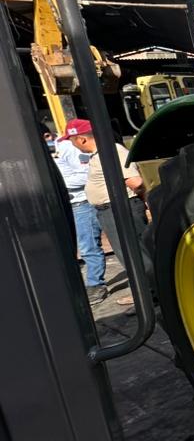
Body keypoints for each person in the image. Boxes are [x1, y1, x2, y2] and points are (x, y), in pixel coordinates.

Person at [64, 119, 148, 307]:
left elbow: (135, 182)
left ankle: (150, 296)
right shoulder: (99, 155)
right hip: (111, 210)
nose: (72, 144)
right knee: (128, 255)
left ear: (81, 139)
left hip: (119, 209)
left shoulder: (112, 152)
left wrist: (142, 200)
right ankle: (146, 294)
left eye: (72, 140)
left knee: (136, 255)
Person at [52, 121, 107, 304]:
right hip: (73, 203)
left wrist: (59, 184)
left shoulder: (70, 147)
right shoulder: (64, 146)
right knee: (85, 245)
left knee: (88, 245)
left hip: (82, 202)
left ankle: (96, 285)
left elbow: (86, 174)